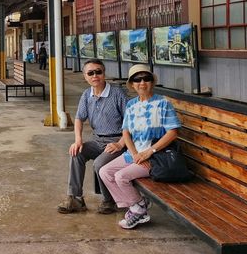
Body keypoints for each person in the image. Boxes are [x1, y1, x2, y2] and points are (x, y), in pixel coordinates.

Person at [99, 64, 181, 229]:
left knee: (121, 176)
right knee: (105, 172)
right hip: (134, 155)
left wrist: (148, 152)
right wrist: (136, 154)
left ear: (152, 82)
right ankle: (138, 205)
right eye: (137, 79)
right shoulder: (131, 105)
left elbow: (172, 132)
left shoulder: (163, 104)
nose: (142, 82)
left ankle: (137, 210)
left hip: (156, 157)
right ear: (131, 84)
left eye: (146, 78)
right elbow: (126, 133)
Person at [57, 59, 127, 215]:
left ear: (104, 74)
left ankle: (109, 200)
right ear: (85, 76)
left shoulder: (117, 94)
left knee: (99, 164)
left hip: (117, 141)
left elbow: (130, 123)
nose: (95, 75)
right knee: (77, 153)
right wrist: (78, 140)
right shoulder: (86, 95)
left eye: (98, 72)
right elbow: (78, 119)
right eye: (90, 73)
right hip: (98, 140)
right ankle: (76, 199)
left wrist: (120, 144)